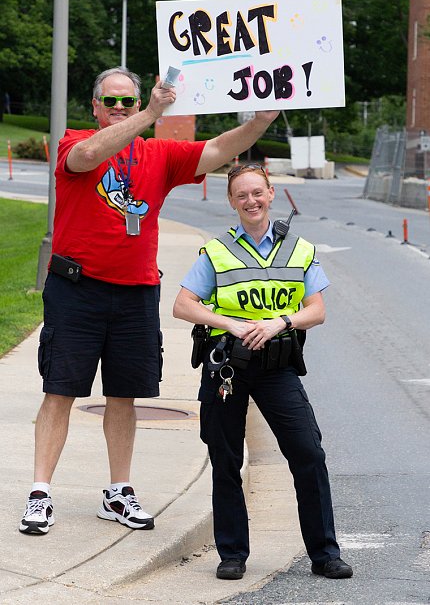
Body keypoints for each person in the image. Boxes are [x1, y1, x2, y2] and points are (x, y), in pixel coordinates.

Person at [19, 67, 279, 535]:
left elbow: (217, 150)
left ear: (137, 104)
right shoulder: (75, 141)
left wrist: (259, 123)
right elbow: (86, 156)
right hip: (76, 290)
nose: (120, 108)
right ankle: (40, 493)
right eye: (111, 102)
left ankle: (118, 492)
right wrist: (152, 114)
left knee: (125, 395)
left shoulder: (158, 154)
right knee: (59, 390)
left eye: (128, 102)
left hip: (136, 291)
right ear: (95, 107)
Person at [173, 163, 353, 581]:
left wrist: (280, 322)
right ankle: (232, 554)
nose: (251, 201)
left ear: (271, 194)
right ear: (231, 201)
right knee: (226, 459)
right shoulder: (216, 251)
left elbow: (317, 311)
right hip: (227, 368)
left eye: (258, 193)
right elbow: (183, 305)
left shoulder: (300, 249)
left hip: (277, 366)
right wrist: (231, 324)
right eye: (241, 195)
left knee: (308, 453)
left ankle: (325, 554)